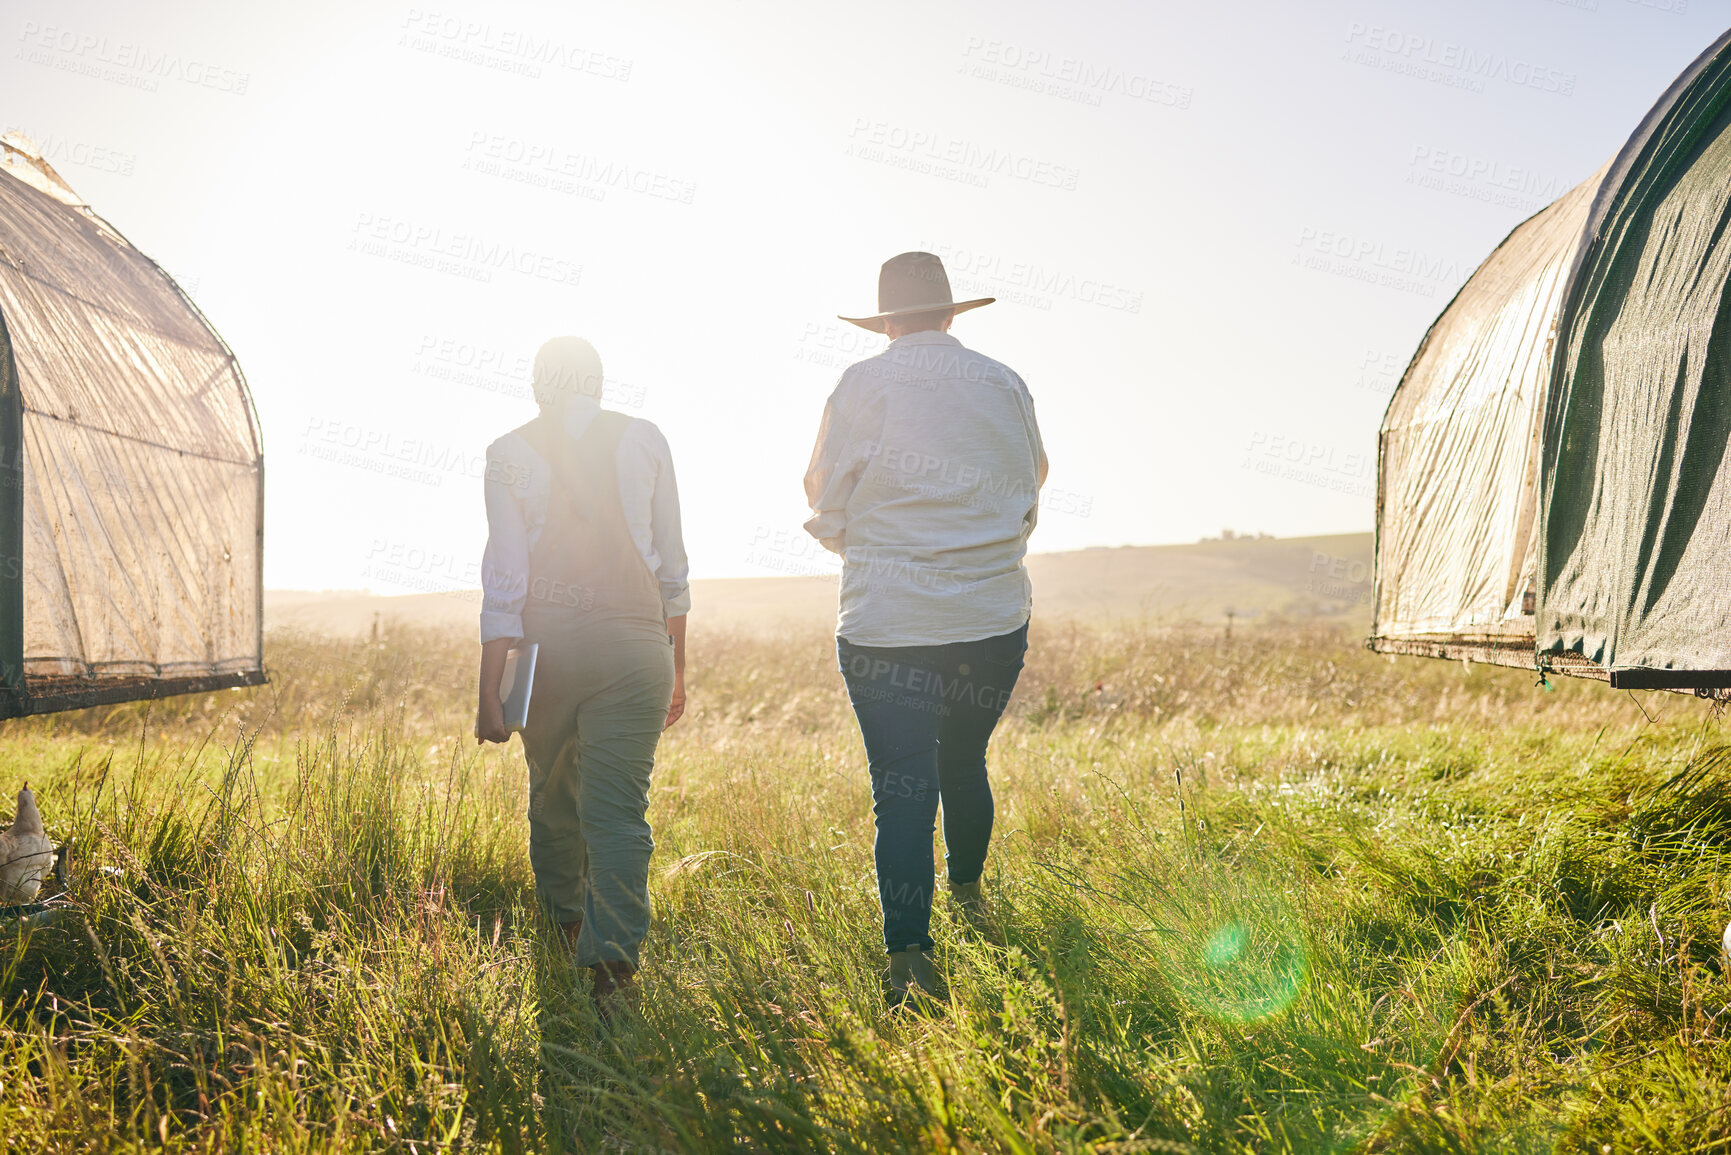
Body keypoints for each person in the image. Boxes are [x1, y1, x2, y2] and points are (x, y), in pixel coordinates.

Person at [803, 252, 1047, 1005]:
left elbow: (823, 490)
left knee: (901, 789)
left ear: (885, 322)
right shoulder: (1003, 382)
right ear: (948, 314)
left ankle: (909, 961)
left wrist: (865, 545)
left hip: (886, 622)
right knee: (962, 760)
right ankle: (969, 899)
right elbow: (1031, 479)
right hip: (988, 618)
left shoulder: (863, 384)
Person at [475, 336, 689, 1018]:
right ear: (596, 383)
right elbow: (673, 571)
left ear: (538, 384)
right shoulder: (646, 438)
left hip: (549, 650)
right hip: (636, 646)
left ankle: (567, 927)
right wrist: (675, 665)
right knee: (620, 813)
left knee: (552, 795)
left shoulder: (507, 453)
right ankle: (613, 970)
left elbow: (505, 581)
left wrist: (489, 691)